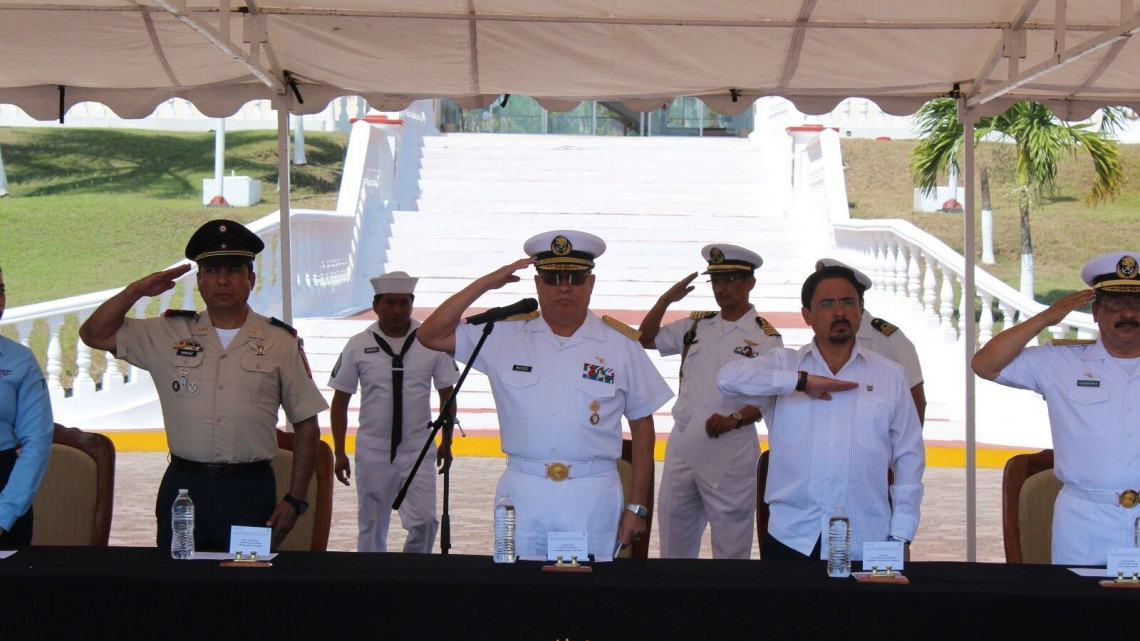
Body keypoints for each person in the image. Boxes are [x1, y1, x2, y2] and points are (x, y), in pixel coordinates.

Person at [418, 230, 673, 560]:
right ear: (537, 284)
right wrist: (486, 283)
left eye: (575, 278)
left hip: (591, 497)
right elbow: (430, 335)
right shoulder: (502, 333)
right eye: (553, 278)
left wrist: (636, 506)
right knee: (520, 587)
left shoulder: (620, 344)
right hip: (523, 494)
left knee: (585, 586)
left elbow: (642, 425)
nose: (564, 287)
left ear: (591, 283)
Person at [79, 219, 328, 551]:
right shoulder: (168, 333)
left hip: (249, 491)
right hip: (185, 489)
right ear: (199, 281)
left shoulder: (279, 341)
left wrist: (295, 499)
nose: (222, 280)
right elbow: (93, 334)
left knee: (246, 580)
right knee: (178, 581)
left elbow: (307, 423)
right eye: (211, 271)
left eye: (234, 270)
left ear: (251, 279)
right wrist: (135, 291)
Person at [717, 262, 924, 561]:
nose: (839, 312)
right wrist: (801, 382)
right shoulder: (786, 364)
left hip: (867, 538)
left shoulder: (891, 375)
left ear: (861, 311)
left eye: (848, 302)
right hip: (793, 538)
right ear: (807, 315)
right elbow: (726, 379)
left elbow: (909, 457)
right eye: (827, 304)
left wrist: (902, 533)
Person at [972, 250, 1140, 565]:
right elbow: (985, 365)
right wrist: (1045, 318)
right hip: (1085, 525)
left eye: (1137, 303)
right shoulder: (1061, 362)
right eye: (1115, 303)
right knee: (1078, 599)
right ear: (1096, 311)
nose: (1128, 313)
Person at [638, 244, 782, 559]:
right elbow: (645, 338)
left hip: (729, 445)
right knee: (674, 541)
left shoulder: (765, 338)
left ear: (750, 283)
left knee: (731, 547)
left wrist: (735, 419)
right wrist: (666, 301)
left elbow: (770, 396)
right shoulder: (696, 326)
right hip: (684, 441)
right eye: (716, 281)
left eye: (729, 280)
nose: (721, 288)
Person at [328, 271, 458, 553]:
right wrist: (339, 451)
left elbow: (447, 393)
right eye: (390, 302)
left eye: (403, 303)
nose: (397, 310)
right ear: (375, 305)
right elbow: (340, 401)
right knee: (372, 525)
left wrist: (446, 441)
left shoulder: (431, 341)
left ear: (412, 304)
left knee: (425, 522)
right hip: (373, 451)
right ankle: (372, 577)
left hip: (417, 448)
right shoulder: (358, 344)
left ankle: (412, 573)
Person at [815, 259, 926, 422]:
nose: (837, 310)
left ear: (859, 301)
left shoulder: (891, 340)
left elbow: (915, 403)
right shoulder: (825, 334)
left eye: (844, 300)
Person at [0, 266, 54, 547]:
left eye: (0, 290)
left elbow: (37, 441)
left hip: (4, 491)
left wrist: (4, 514)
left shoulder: (20, 360)